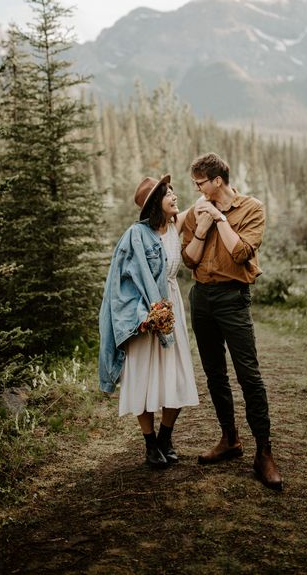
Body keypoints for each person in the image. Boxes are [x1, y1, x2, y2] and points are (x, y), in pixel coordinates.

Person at [182, 153, 283, 490]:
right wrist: (203, 223)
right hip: (201, 298)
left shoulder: (251, 208)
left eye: (200, 183)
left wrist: (219, 219)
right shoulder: (199, 211)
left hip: (232, 298)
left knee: (248, 375)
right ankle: (230, 439)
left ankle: (264, 453)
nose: (196, 189)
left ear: (217, 181)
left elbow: (241, 253)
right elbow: (188, 260)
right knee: (214, 372)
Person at [99, 174, 199, 469]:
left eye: (174, 191)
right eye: (168, 193)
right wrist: (143, 316)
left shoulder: (173, 227)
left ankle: (166, 437)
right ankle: (150, 444)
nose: (175, 196)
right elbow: (122, 283)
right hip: (145, 312)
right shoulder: (136, 235)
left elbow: (200, 206)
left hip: (171, 307)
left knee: (177, 373)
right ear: (156, 202)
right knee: (142, 377)